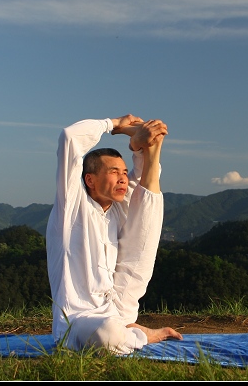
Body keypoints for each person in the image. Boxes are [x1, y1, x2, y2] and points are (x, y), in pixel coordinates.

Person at [46, 114, 183, 354]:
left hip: (119, 307)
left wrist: (142, 146)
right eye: (113, 172)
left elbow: (144, 179)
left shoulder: (117, 205)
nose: (122, 177)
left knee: (148, 212)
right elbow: (69, 137)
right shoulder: (71, 206)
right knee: (109, 333)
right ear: (90, 179)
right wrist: (114, 125)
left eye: (124, 171)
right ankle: (139, 335)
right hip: (78, 322)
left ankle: (127, 328)